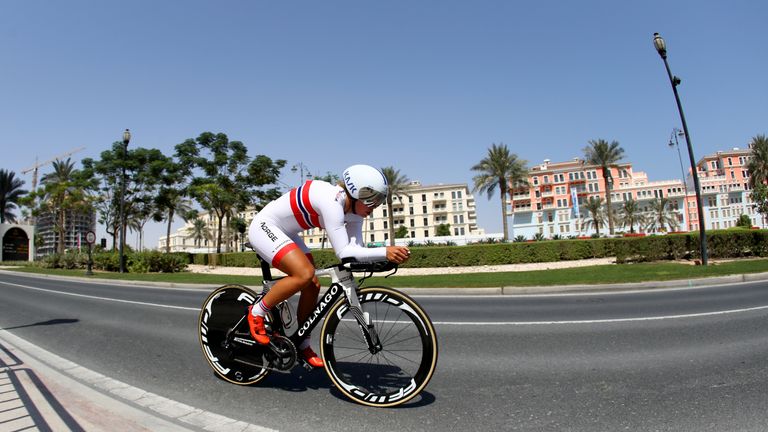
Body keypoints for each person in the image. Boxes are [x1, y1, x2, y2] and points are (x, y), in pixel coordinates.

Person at [246, 164, 411, 368]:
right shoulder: (332, 200)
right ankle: (257, 312)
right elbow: (344, 252)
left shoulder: (355, 214)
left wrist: (386, 258)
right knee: (304, 274)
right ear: (357, 193)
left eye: (379, 201)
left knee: (312, 285)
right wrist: (385, 251)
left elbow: (355, 252)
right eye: (373, 200)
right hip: (265, 226)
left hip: (287, 233)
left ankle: (301, 344)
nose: (374, 207)